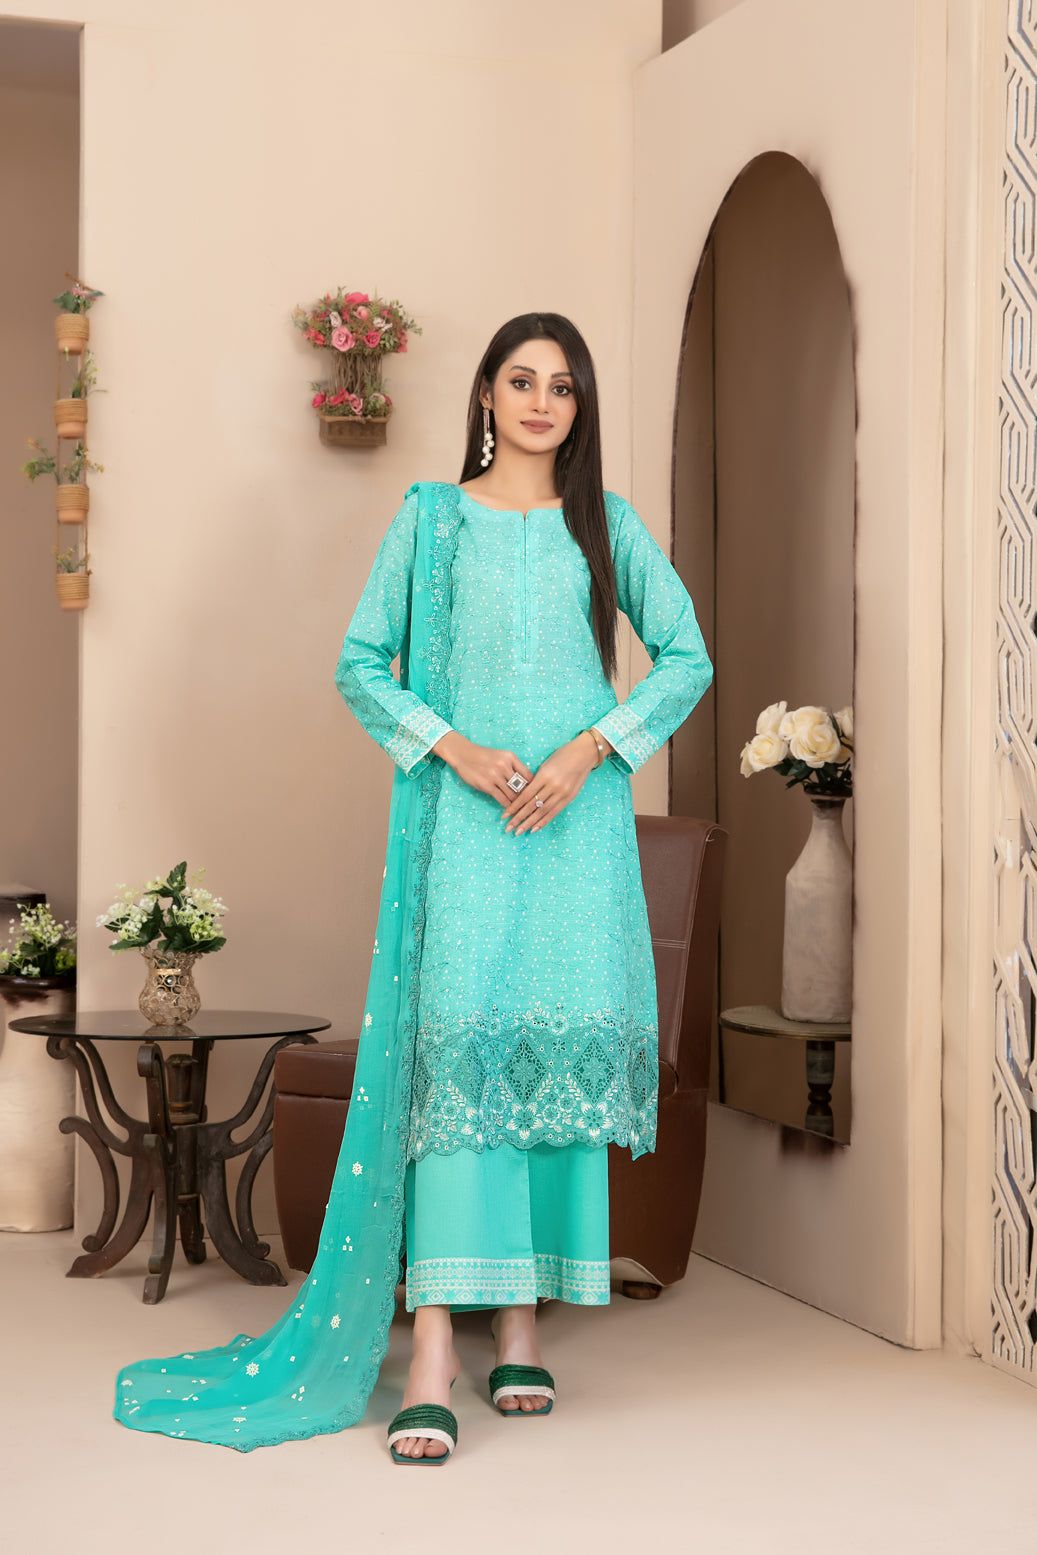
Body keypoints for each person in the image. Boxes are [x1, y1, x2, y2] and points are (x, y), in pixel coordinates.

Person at [111, 312, 712, 1461]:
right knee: (457, 1063)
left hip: (576, 833)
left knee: (542, 1062)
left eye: (562, 387)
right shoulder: (431, 520)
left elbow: (686, 657)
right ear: (485, 394)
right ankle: (434, 1342)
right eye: (520, 380)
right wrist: (456, 749)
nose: (540, 402)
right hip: (469, 830)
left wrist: (591, 751)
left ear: (579, 407)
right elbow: (359, 665)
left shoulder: (605, 523)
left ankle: (519, 1324)